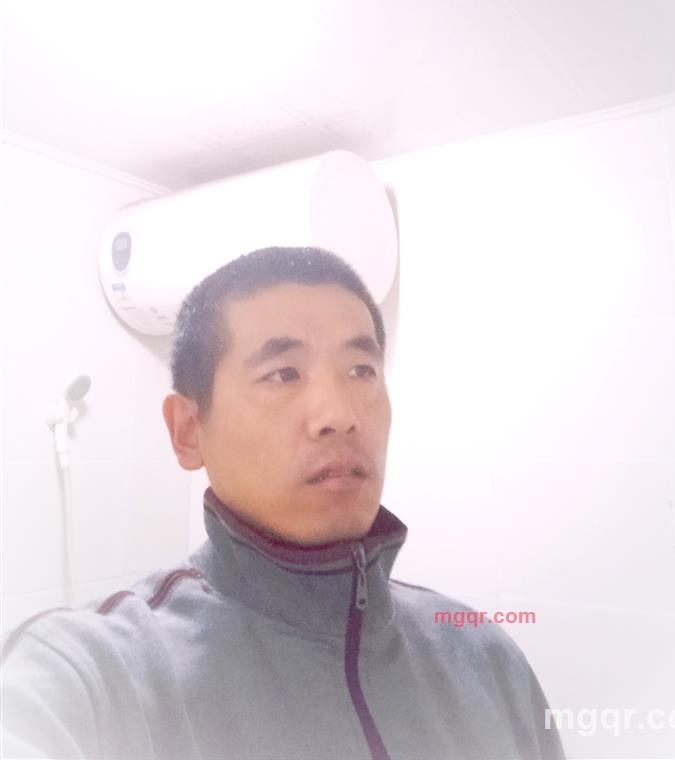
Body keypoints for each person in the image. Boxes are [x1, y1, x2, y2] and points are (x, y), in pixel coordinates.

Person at [1, 246, 565, 760]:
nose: (339, 414)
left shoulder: (483, 658)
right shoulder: (93, 676)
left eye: (361, 370)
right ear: (189, 431)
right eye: (283, 374)